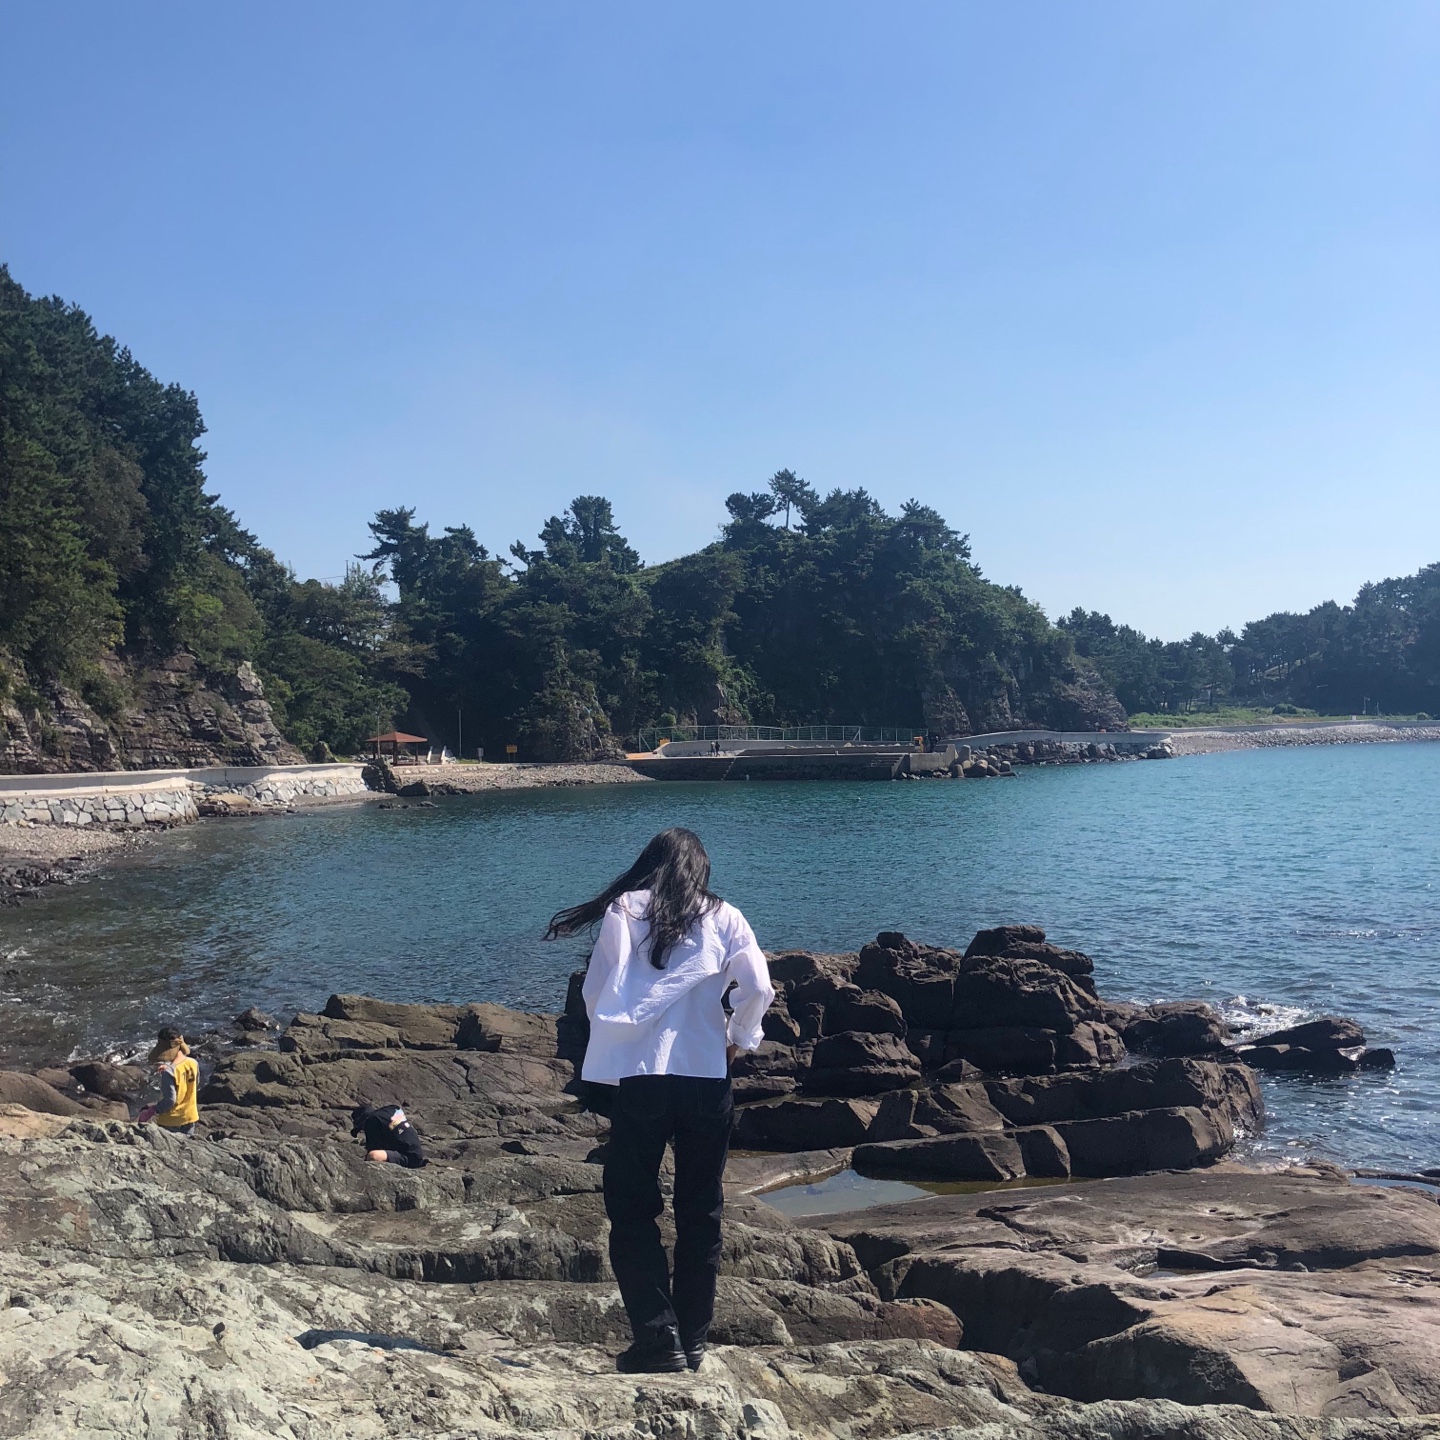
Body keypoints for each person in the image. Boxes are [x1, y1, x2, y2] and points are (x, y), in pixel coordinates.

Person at [546, 827, 773, 1375]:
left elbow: (596, 991)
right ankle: (692, 1340)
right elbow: (760, 988)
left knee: (631, 1207)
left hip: (643, 1078)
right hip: (706, 1077)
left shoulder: (626, 909)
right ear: (702, 869)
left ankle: (657, 1336)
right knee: (702, 1210)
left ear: (650, 864)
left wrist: (617, 1036)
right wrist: (738, 1038)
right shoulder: (725, 915)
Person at [135, 1025, 200, 1136]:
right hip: (190, 1116)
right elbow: (194, 1084)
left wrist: (153, 1110)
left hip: (171, 1121)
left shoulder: (168, 1072)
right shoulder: (193, 1063)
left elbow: (170, 1100)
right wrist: (170, 1068)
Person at [350, 1103, 427, 1168]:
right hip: (416, 1152)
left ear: (362, 1122)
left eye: (362, 1128)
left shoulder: (371, 1121)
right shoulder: (390, 1110)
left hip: (409, 1158)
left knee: (373, 1155)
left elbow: (373, 1149)